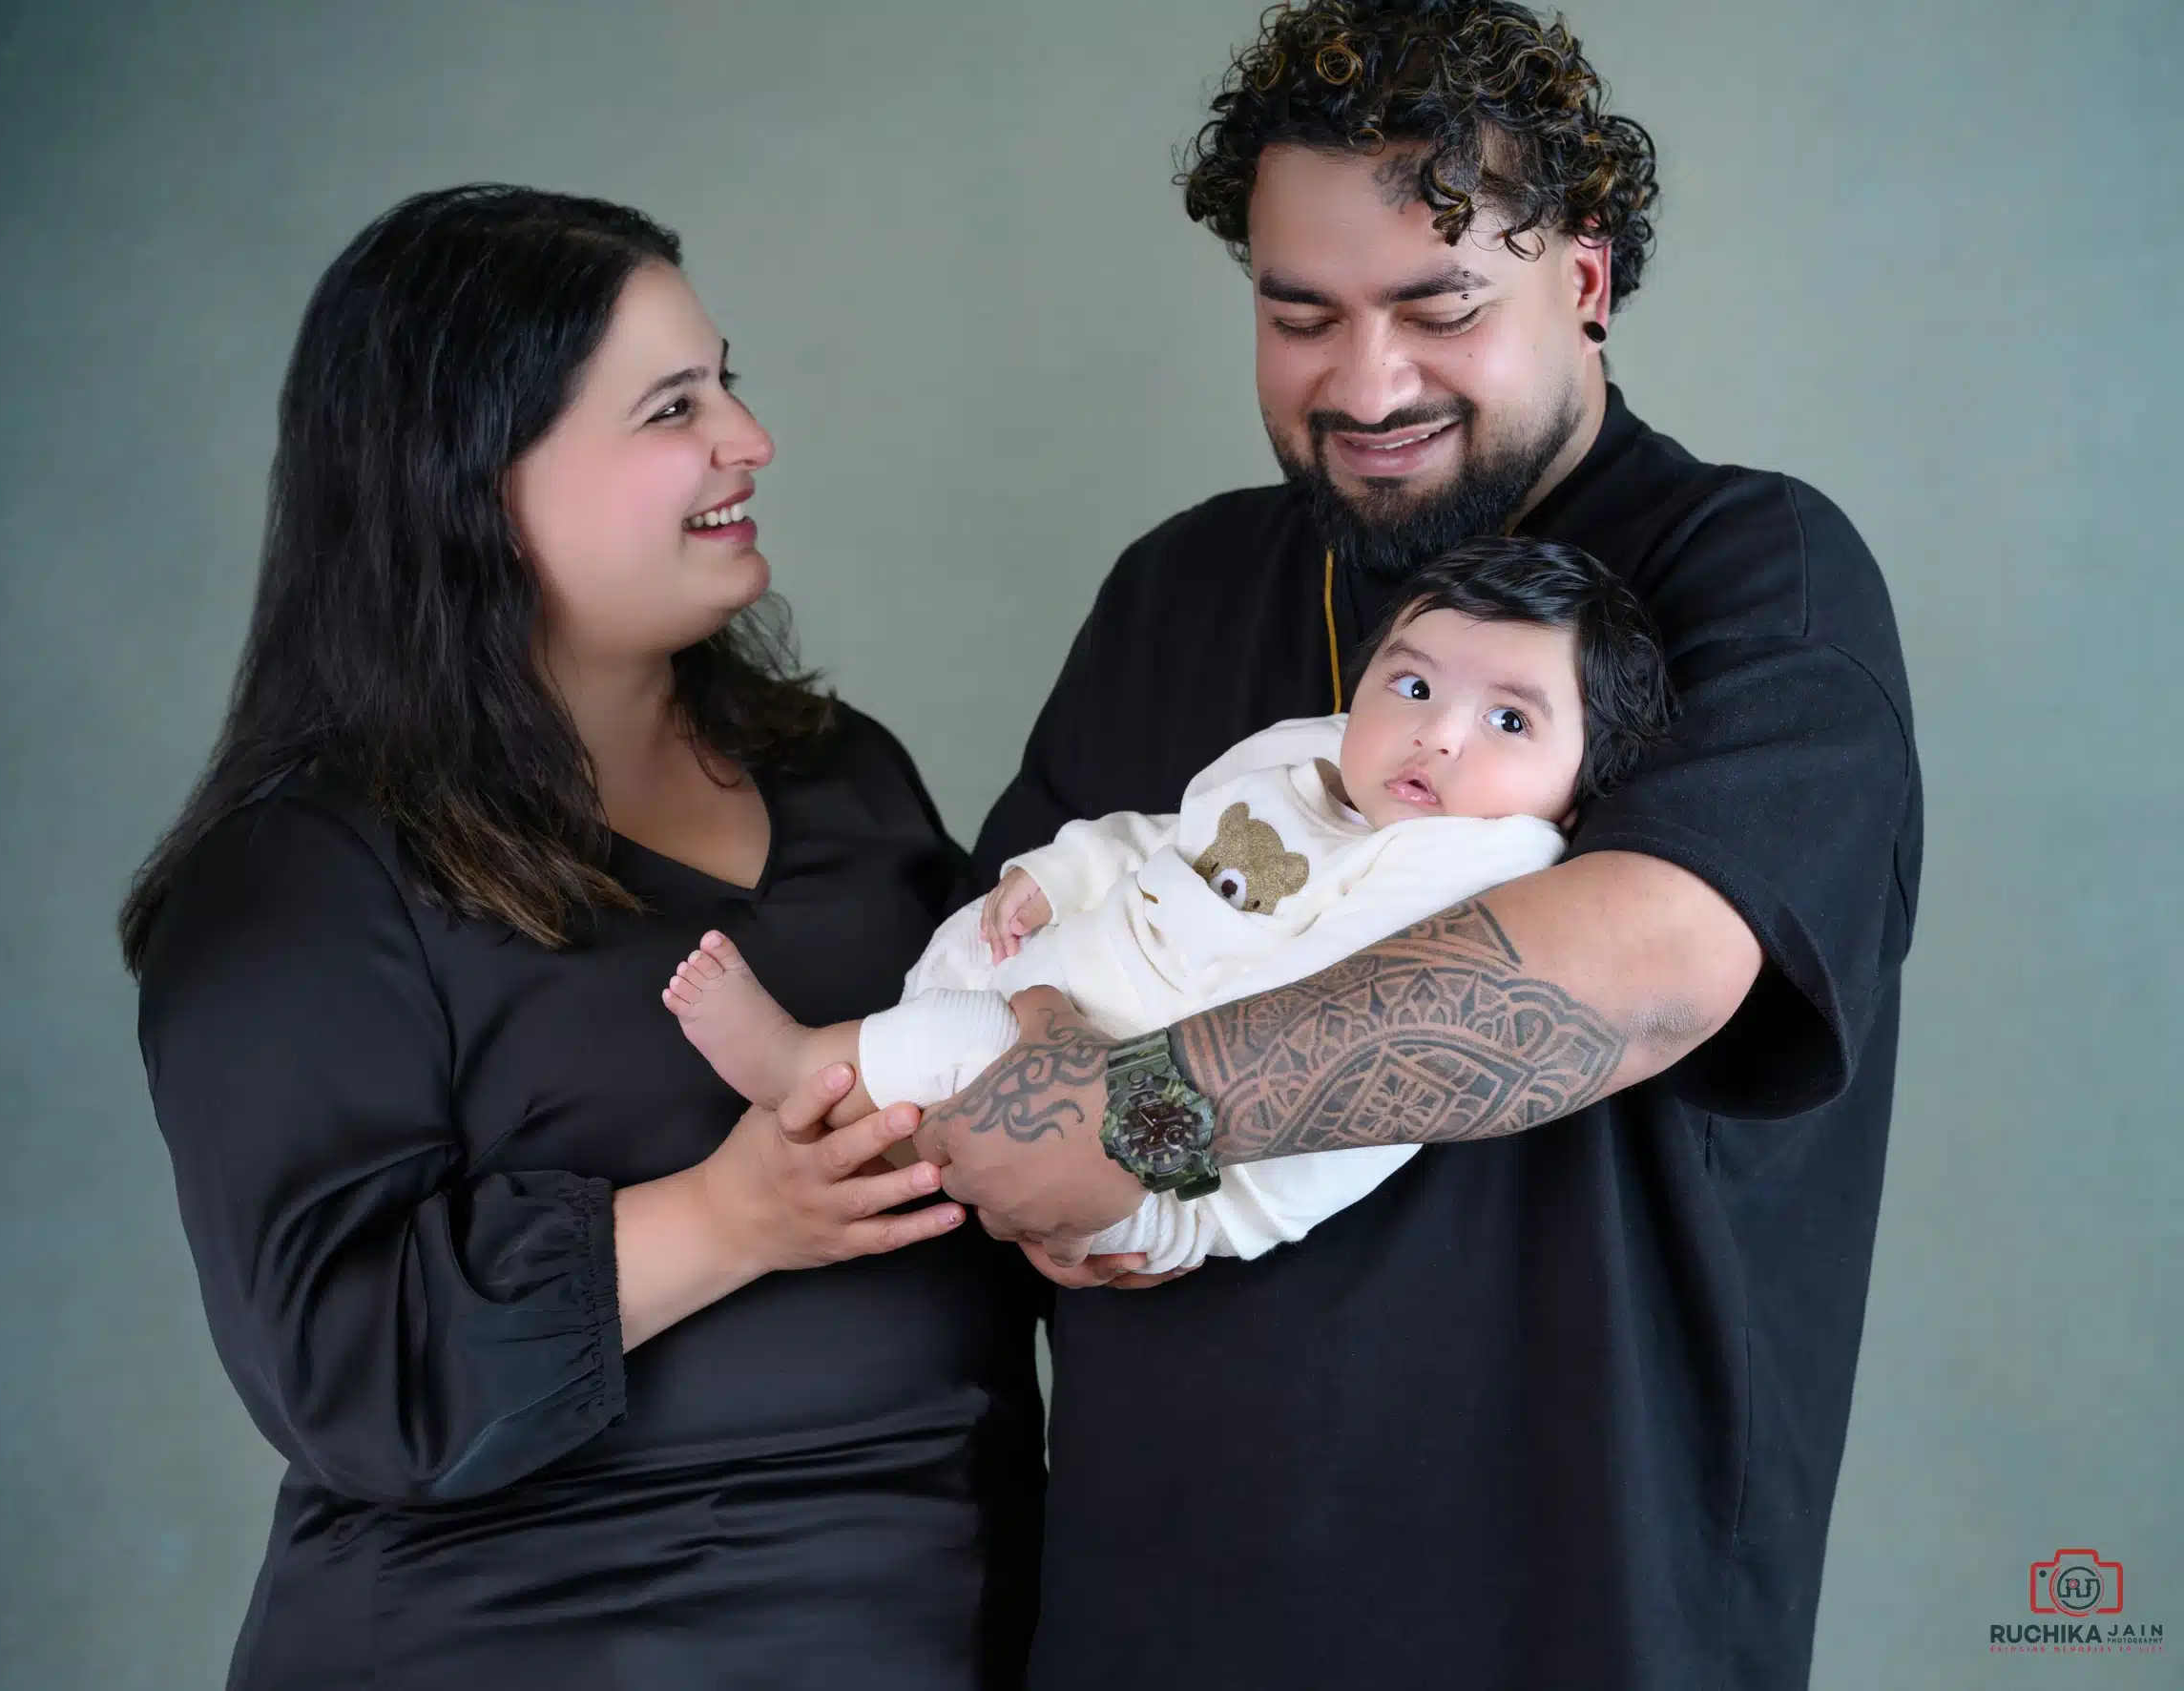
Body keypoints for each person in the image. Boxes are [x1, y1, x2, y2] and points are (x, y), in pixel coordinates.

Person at [912, 5, 1924, 1688]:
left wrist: (1137, 1113)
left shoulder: (1756, 571)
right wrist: (999, 1111)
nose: (1364, 385)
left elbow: (1647, 966)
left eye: (1437, 309)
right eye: (1299, 316)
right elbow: (1002, 976)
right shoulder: (1182, 587)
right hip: (1143, 1612)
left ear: (1584, 285)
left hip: (1572, 1608)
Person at [121, 185, 1043, 1690]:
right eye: (673, 407)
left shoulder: (842, 771)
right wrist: (733, 1218)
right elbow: (347, 1369)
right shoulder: (300, 883)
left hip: (929, 1619)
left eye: (726, 382)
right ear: (476, 483)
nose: (748, 439)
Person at [664, 538, 1671, 1273]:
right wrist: (1057, 879)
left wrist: (1085, 1095)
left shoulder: (1477, 863)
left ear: (1581, 785)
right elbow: (1165, 838)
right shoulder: (1310, 763)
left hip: (1176, 1161)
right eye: (1411, 685)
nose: (1440, 735)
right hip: (1074, 1016)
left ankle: (799, 1062)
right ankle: (890, 1119)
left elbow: (1315, 1012)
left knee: (977, 1036)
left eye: (1508, 718)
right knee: (969, 950)